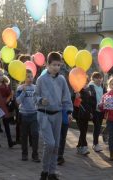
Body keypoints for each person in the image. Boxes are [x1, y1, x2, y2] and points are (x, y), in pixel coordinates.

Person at [34, 52, 73, 180]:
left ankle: (52, 172)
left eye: (58, 65)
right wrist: (40, 100)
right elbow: (35, 96)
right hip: (44, 114)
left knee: (56, 145)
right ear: (47, 64)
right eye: (54, 65)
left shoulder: (62, 79)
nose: (56, 67)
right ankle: (44, 170)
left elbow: (66, 97)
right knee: (49, 143)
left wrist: (68, 111)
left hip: (57, 115)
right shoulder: (41, 79)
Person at [16, 69, 40, 162]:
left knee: (35, 134)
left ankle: (35, 155)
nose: (30, 79)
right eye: (27, 77)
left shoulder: (36, 87)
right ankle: (24, 154)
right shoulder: (20, 88)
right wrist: (23, 92)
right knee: (24, 135)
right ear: (23, 78)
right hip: (23, 115)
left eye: (31, 76)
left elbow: (38, 99)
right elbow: (18, 101)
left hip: (34, 114)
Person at [88, 72, 106, 152]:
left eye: (100, 78)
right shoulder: (91, 86)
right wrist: (91, 111)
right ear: (93, 79)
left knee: (98, 127)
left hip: (101, 110)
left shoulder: (103, 86)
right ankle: (95, 144)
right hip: (94, 110)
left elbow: (105, 96)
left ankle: (96, 143)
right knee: (97, 126)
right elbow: (90, 99)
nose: (99, 79)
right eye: (96, 78)